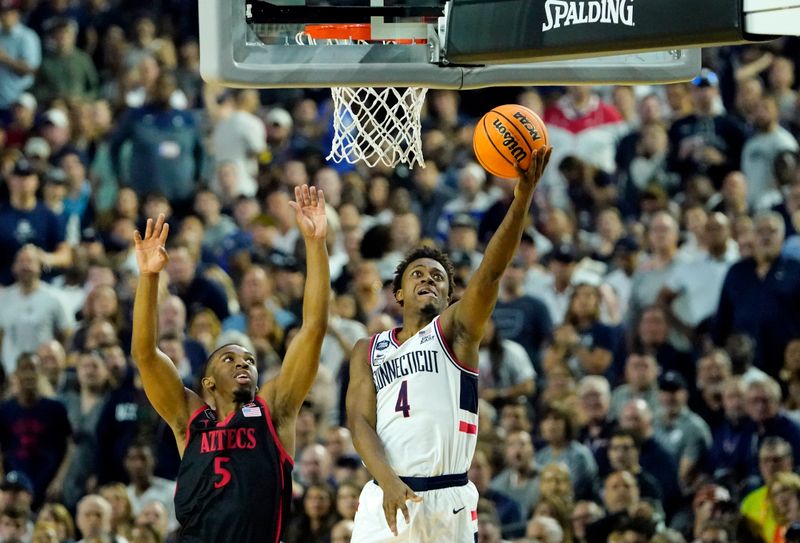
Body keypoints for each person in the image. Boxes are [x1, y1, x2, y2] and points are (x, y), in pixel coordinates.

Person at [347, 146, 552, 542]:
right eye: (418, 274)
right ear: (399, 294)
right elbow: (359, 422)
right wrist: (388, 481)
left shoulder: (455, 331)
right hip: (383, 493)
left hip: (446, 499)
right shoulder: (367, 349)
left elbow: (491, 272)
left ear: (449, 295)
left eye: (439, 277)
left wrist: (521, 198)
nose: (428, 279)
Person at [130, 184, 330, 542]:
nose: (244, 364)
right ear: (207, 382)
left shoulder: (274, 411)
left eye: (250, 360)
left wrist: (315, 245)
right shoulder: (188, 419)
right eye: (229, 358)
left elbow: (313, 329)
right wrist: (148, 277)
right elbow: (145, 354)